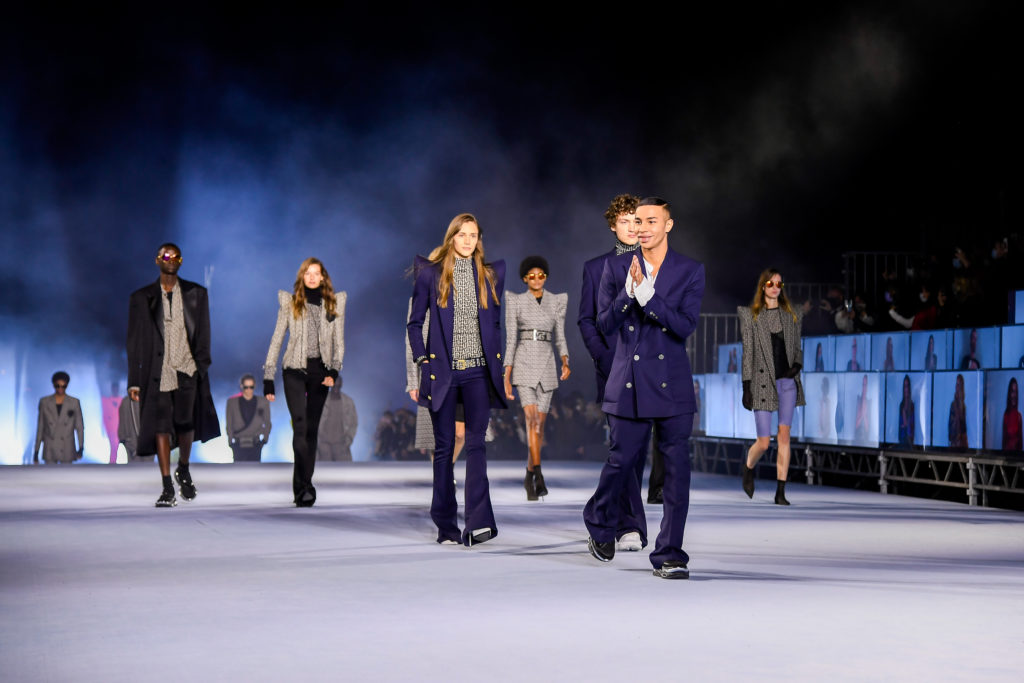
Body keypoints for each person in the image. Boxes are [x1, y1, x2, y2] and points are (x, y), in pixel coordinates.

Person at [583, 197, 704, 580]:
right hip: (629, 381)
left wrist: (650, 298)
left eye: (652, 221)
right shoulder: (617, 267)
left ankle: (670, 554)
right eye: (638, 221)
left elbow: (684, 326)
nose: (643, 228)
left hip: (673, 384)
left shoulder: (689, 270)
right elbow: (603, 323)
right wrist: (627, 295)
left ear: (668, 225)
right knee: (621, 461)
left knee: (676, 472)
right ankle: (598, 519)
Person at [407, 212, 507, 546]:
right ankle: (446, 525)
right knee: (445, 448)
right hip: (444, 372)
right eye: (462, 234)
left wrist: (498, 362)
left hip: (478, 372)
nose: (467, 241)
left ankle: (478, 522)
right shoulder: (431, 274)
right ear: (451, 238)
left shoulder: (489, 275)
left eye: (473, 235)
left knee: (477, 445)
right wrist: (422, 361)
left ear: (479, 240)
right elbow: (414, 323)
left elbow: (495, 324)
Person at [578, 194, 659, 554]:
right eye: (624, 221)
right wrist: (603, 356)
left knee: (637, 450)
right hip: (614, 369)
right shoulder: (596, 267)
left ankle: (617, 519)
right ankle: (628, 525)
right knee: (622, 447)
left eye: (636, 221)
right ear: (613, 226)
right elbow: (586, 320)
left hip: (649, 372)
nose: (631, 227)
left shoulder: (657, 262)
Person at [127, 243, 220, 506]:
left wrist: (201, 366)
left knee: (185, 423)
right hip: (157, 372)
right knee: (160, 426)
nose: (170, 259)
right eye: (165, 255)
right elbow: (134, 341)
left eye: (175, 256)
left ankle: (184, 467)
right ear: (157, 260)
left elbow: (204, 332)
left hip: (187, 368)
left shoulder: (196, 294)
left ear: (181, 261)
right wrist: (134, 380)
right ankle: (167, 486)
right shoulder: (141, 297)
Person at [264, 257, 346, 506]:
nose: (311, 277)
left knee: (311, 431)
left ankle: (302, 485)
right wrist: (268, 376)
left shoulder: (333, 304)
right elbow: (277, 339)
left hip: (320, 373)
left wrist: (334, 370)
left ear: (323, 277)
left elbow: (339, 341)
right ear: (302, 276)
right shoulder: (290, 303)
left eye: (316, 273)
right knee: (299, 426)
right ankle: (305, 487)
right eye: (307, 273)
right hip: (293, 371)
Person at [503, 255, 570, 500]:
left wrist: (565, 360)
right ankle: (539, 476)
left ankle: (529, 474)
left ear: (546, 277)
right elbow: (511, 339)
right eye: (531, 276)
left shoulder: (557, 301)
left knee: (539, 427)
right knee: (531, 421)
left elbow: (560, 335)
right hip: (523, 362)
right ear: (524, 279)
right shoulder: (515, 301)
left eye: (540, 275)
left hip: (547, 363)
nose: (536, 279)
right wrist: (507, 374)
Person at [737, 268, 804, 505]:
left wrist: (797, 365)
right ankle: (748, 467)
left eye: (779, 284)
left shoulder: (791, 315)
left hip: (787, 382)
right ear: (762, 286)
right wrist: (746, 386)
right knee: (764, 442)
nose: (775, 287)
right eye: (770, 283)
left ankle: (780, 491)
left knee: (784, 435)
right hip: (762, 382)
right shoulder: (752, 316)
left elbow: (797, 347)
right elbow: (748, 354)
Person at [405, 298, 465, 462]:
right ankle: (443, 472)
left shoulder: (465, 294)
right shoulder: (420, 298)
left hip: (461, 369)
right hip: (434, 372)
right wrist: (412, 381)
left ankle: (446, 468)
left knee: (460, 433)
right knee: (437, 433)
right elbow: (411, 342)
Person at [33, 371, 84, 464]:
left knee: (67, 473)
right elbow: (40, 427)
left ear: (67, 385)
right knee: (49, 473)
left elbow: (79, 427)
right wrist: (36, 451)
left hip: (67, 447)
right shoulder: (44, 402)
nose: (60, 388)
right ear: (53, 385)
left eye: (63, 386)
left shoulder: (74, 402)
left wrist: (81, 447)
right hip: (50, 446)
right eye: (58, 386)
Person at [225, 374, 272, 462]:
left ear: (255, 386)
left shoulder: (263, 402)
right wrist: (230, 442)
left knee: (255, 469)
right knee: (238, 469)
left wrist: (264, 441)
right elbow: (229, 423)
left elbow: (267, 422)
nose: (249, 390)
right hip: (238, 444)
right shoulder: (232, 403)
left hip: (256, 444)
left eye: (251, 387)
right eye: (246, 387)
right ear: (241, 386)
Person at [317, 379, 358, 461]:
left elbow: (354, 422)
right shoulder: (320, 400)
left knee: (344, 468)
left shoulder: (348, 402)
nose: (336, 388)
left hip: (341, 444)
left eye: (338, 386)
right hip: (323, 444)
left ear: (341, 385)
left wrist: (349, 439)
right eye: (334, 385)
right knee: (323, 468)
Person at [948, 374, 968, 449]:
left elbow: (964, 427)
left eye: (959, 384)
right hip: (954, 442)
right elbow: (950, 424)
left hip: (962, 443)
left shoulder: (963, 406)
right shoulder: (953, 405)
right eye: (956, 384)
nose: (956, 386)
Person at [1002, 378, 1022, 451]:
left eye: (1016, 392)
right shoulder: (1005, 415)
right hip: (1006, 455)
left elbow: (1021, 444)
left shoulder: (1019, 417)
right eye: (1012, 391)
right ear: (1009, 393)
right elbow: (1003, 443)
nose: (1014, 395)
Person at [897, 374, 915, 447]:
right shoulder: (901, 405)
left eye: (907, 386)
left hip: (910, 442)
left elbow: (911, 426)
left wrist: (905, 424)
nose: (906, 389)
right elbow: (900, 426)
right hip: (902, 441)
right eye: (905, 386)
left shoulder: (912, 405)